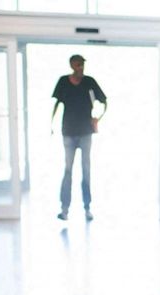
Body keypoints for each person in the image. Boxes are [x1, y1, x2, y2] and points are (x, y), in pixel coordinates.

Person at [51, 54, 107, 221]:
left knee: (86, 170)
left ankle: (87, 207)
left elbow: (104, 102)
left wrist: (98, 118)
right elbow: (56, 104)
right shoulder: (63, 82)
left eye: (82, 64)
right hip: (68, 132)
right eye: (77, 64)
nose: (80, 67)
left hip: (85, 132)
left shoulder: (89, 82)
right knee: (68, 170)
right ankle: (65, 208)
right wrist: (51, 125)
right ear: (71, 65)